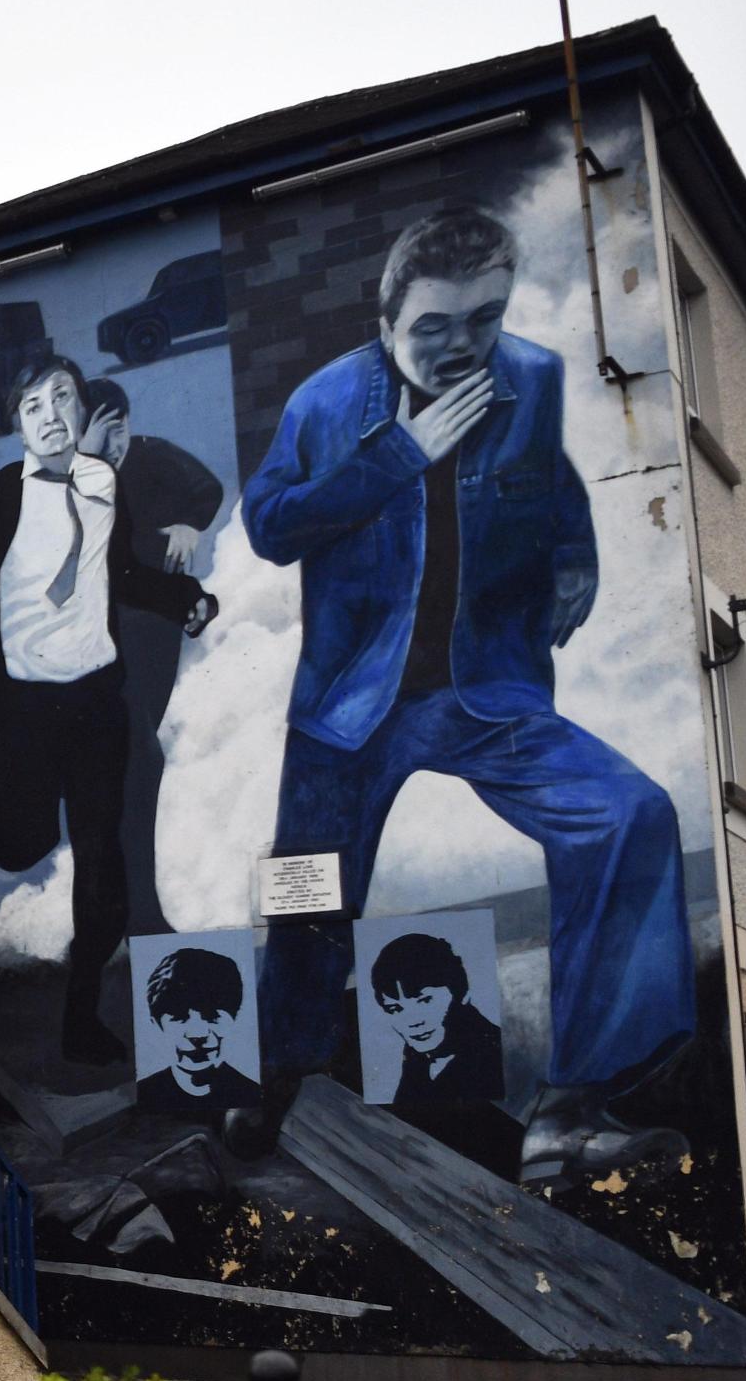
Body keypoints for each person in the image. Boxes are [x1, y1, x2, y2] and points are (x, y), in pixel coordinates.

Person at [236, 204, 691, 1177]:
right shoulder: (324, 403)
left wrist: (576, 566)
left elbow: (554, 490)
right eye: (433, 326)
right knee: (304, 897)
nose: (459, 345)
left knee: (631, 814)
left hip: (484, 691)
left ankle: (570, 1108)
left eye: (481, 319)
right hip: (348, 705)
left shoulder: (530, 378)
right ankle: (281, 1084)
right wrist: (400, 456)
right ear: (388, 314)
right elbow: (269, 523)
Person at [0, 354, 215, 1061]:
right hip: (22, 707)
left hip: (94, 700)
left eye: (63, 399)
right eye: (34, 406)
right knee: (26, 843)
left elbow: (117, 572)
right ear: (18, 425)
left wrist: (185, 602)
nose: (52, 415)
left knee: (102, 862)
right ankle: (8, 829)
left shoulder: (100, 486)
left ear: (83, 411)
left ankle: (82, 1019)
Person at [82, 377, 227, 936]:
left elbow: (208, 488)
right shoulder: (79, 485)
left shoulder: (152, 456)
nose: (115, 442)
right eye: (102, 431)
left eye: (120, 427)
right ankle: (135, 913)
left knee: (133, 771)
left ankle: (122, 910)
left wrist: (191, 524)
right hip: (106, 644)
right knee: (138, 764)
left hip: (158, 637)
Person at [369, 930, 506, 1107]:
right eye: (395, 1009)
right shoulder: (416, 1058)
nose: (412, 1021)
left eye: (425, 1000)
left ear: (461, 992)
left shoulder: (497, 1057)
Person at [133, 945, 263, 1125]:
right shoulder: (146, 1095)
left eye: (213, 1016)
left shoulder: (250, 1093)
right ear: (155, 1023)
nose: (198, 1033)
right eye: (179, 1018)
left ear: (235, 1017)